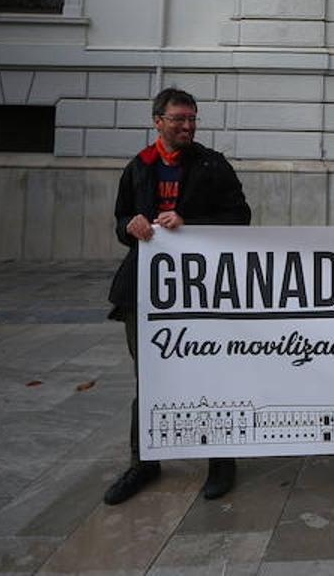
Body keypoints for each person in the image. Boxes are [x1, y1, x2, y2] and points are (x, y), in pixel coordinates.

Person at [103, 88, 252, 506]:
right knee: (149, 377)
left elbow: (239, 217)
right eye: (178, 120)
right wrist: (129, 226)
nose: (187, 127)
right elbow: (120, 221)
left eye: (192, 119)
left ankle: (221, 461)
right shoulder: (138, 167)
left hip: (203, 292)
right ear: (158, 122)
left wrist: (188, 222)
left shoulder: (212, 164)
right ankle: (143, 462)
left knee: (211, 375)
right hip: (146, 292)